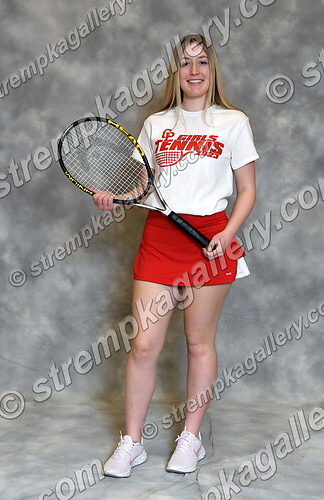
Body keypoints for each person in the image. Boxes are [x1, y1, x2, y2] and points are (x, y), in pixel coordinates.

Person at [93, 33, 259, 478]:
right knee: (144, 344)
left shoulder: (233, 122)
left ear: (212, 68)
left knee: (198, 343)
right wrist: (115, 197)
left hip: (211, 240)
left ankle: (191, 438)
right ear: (175, 72)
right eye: (185, 63)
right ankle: (131, 443)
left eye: (202, 62)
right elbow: (143, 189)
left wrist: (227, 233)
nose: (194, 71)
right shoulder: (156, 123)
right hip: (160, 238)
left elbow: (247, 190)